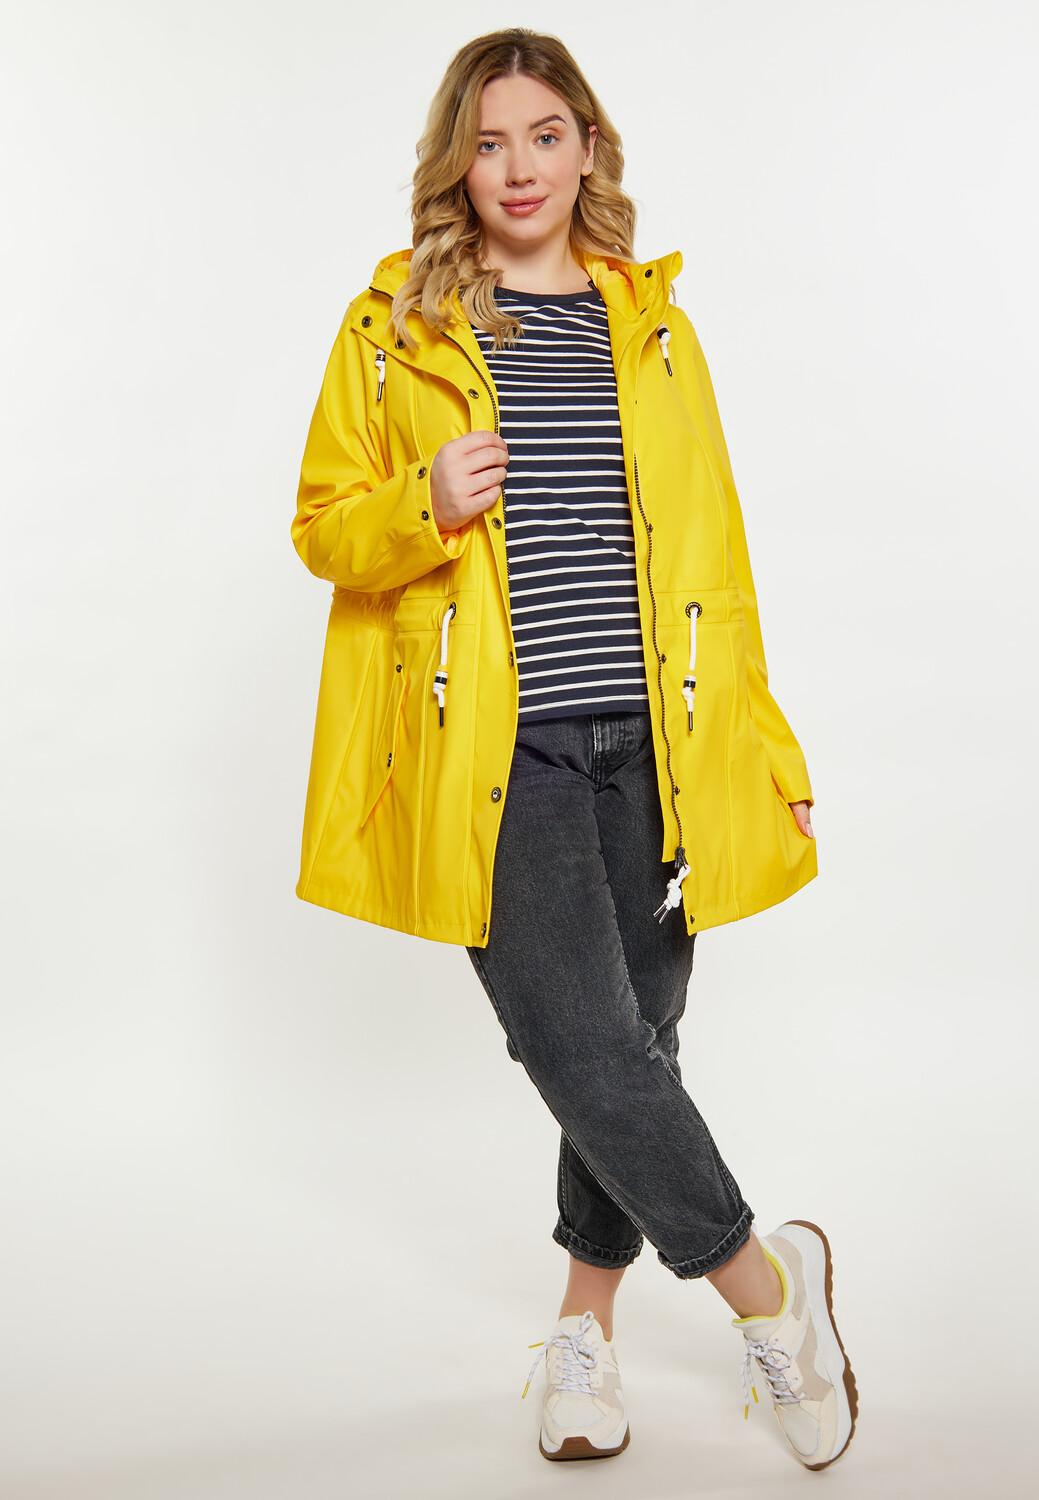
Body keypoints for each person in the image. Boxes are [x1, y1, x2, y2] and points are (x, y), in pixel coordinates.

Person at [290, 25, 857, 1473]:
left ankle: (584, 1333)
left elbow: (717, 565)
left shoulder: (652, 330)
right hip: (502, 751)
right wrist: (422, 502)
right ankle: (770, 1295)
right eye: (488, 143)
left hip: (655, 749)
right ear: (456, 164)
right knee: (580, 1043)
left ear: (587, 148)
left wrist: (764, 748)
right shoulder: (394, 328)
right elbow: (322, 531)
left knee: (636, 1050)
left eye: (545, 136)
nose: (519, 167)